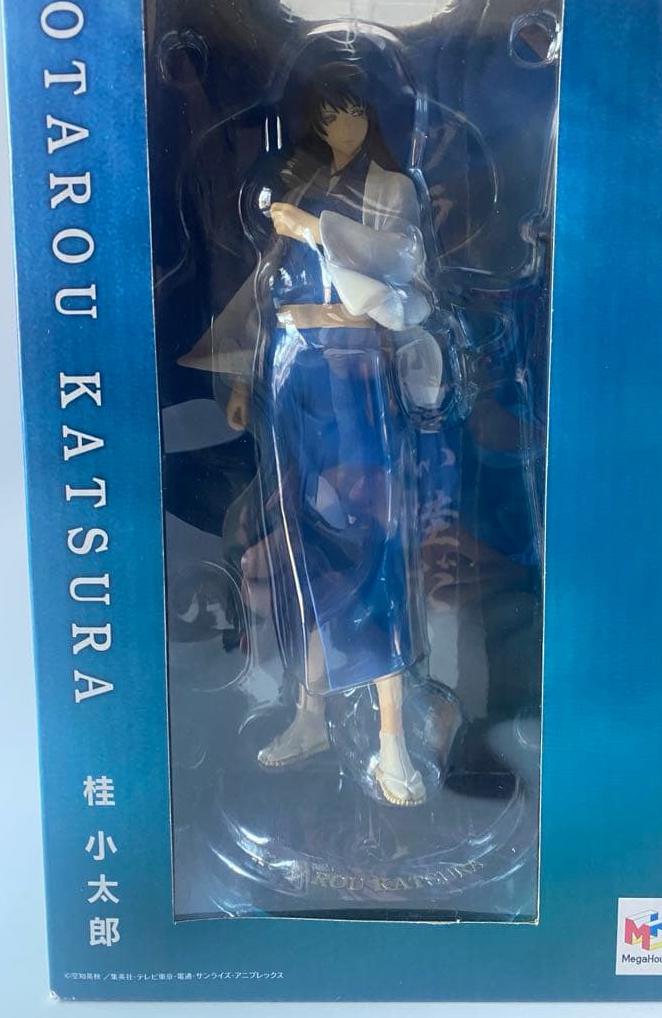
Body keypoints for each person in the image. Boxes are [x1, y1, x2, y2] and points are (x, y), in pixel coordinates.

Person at [182, 62, 439, 806]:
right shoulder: (296, 183)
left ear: (371, 116)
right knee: (298, 543)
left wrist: (318, 229)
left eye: (351, 112)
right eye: (327, 116)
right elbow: (263, 287)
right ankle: (309, 714)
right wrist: (241, 379)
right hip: (293, 364)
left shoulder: (390, 190)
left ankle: (392, 743)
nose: (340, 128)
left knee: (372, 540)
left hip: (356, 366)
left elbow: (401, 261)